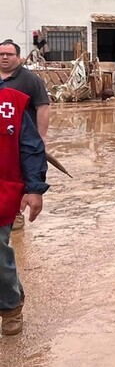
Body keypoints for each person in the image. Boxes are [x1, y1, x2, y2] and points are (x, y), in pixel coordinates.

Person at [0, 77, 48, 335]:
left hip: (2, 191)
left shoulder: (11, 102)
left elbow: (30, 147)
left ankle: (10, 306)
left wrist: (34, 189)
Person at [0, 39, 51, 231]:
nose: (4, 57)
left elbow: (43, 108)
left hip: (21, 140)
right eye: (1, 54)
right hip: (3, 140)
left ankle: (15, 217)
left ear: (18, 57)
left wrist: (41, 137)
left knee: (18, 179)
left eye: (9, 54)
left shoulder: (30, 80)